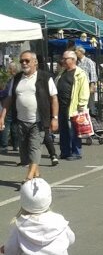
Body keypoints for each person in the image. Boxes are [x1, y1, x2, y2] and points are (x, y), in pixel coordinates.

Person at [0, 51, 60, 181]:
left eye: (27, 60)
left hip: (38, 121)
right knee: (25, 152)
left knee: (35, 148)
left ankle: (28, 178)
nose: (24, 63)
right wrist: (2, 116)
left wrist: (54, 118)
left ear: (35, 62)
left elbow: (54, 98)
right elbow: (9, 99)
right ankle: (36, 175)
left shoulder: (45, 78)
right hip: (21, 121)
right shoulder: (16, 79)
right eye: (22, 61)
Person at [55, 51, 89, 161]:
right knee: (64, 130)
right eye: (63, 58)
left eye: (65, 59)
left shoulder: (80, 73)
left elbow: (84, 90)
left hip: (73, 107)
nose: (63, 61)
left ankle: (76, 152)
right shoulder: (62, 72)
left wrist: (81, 105)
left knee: (74, 130)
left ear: (73, 60)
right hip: (61, 106)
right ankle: (65, 151)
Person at [0, 62, 20, 154]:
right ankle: (16, 145)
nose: (7, 70)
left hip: (8, 103)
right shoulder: (19, 78)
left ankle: (4, 145)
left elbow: (7, 92)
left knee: (6, 123)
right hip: (16, 103)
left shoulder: (12, 79)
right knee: (14, 124)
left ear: (13, 70)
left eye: (9, 68)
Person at [74, 47, 97, 115]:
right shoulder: (77, 62)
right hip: (79, 84)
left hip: (87, 84)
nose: (75, 53)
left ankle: (91, 114)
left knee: (89, 101)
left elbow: (93, 74)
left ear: (81, 52)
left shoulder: (89, 61)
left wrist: (92, 86)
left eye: (76, 52)